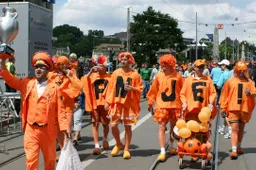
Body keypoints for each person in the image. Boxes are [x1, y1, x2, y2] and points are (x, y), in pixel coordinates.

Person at [0, 52, 69, 170]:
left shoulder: (55, 88)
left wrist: (65, 128)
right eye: (36, 67)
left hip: (48, 131)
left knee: (50, 161)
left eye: (41, 67)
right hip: (31, 129)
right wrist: (2, 63)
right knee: (31, 162)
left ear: (48, 70)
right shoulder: (27, 84)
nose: (38, 69)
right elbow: (11, 80)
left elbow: (61, 110)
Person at [104, 52, 143, 159]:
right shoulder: (116, 73)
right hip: (116, 103)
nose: (123, 61)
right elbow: (110, 88)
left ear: (130, 61)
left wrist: (133, 88)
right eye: (122, 59)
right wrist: (107, 101)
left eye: (125, 59)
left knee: (127, 127)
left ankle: (126, 148)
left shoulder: (135, 75)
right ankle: (118, 143)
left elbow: (140, 89)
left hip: (128, 104)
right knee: (113, 125)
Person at [147, 54, 184, 161]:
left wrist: (185, 103)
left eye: (166, 64)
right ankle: (163, 151)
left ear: (171, 64)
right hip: (161, 106)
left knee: (174, 128)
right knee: (162, 127)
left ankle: (172, 145)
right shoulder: (158, 76)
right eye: (162, 64)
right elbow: (153, 91)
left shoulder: (178, 76)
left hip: (175, 105)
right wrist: (150, 102)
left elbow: (184, 91)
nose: (163, 67)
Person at [180, 59, 217, 161]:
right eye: (199, 67)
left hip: (203, 112)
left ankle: (198, 152)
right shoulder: (188, 80)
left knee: (202, 133)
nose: (201, 69)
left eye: (202, 67)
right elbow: (182, 93)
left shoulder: (208, 80)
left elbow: (213, 93)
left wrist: (210, 103)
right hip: (191, 111)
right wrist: (184, 102)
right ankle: (192, 152)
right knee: (190, 133)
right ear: (194, 68)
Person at [48, 56, 82, 160]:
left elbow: (79, 86)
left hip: (67, 107)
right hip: (56, 107)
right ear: (57, 65)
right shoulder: (52, 75)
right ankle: (63, 152)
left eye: (65, 64)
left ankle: (68, 152)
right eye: (61, 64)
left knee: (67, 130)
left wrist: (70, 77)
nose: (63, 66)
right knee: (58, 131)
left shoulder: (71, 74)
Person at [219, 61, 255, 159]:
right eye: (239, 70)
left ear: (245, 71)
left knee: (241, 129)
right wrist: (223, 107)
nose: (240, 72)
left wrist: (250, 94)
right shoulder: (230, 81)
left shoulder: (249, 82)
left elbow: (254, 92)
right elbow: (224, 95)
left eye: (242, 71)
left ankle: (238, 146)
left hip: (244, 108)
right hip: (233, 108)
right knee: (234, 128)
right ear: (236, 70)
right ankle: (234, 150)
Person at [82, 55, 111, 155]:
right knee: (95, 124)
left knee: (105, 124)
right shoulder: (92, 76)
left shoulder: (110, 77)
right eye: (98, 65)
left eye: (101, 66)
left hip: (105, 104)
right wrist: (90, 72)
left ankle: (105, 139)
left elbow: (112, 91)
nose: (99, 67)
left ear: (105, 67)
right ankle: (96, 145)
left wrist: (109, 102)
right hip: (95, 104)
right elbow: (83, 82)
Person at [216, 59, 232, 138]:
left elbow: (218, 85)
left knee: (223, 113)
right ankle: (223, 128)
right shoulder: (231, 73)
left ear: (225, 66)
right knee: (227, 113)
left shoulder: (224, 74)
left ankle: (230, 129)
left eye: (221, 65)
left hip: (224, 96)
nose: (220, 66)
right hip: (231, 96)